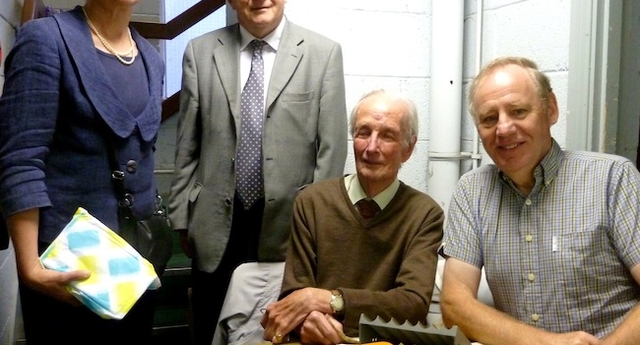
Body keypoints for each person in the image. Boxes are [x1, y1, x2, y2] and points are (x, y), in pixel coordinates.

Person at [167, 0, 348, 345]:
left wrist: (318, 231)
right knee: (212, 327)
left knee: (275, 334)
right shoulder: (200, 52)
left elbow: (331, 151)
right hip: (215, 224)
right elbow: (187, 144)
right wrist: (181, 217)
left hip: (289, 230)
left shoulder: (323, 55)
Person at [0, 0, 164, 344]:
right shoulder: (46, 40)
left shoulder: (151, 57)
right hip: (67, 270)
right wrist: (29, 267)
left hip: (133, 268)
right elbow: (20, 159)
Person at [440, 56, 640, 345]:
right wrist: (548, 343)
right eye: (489, 118)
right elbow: (455, 307)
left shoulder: (612, 178)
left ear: (551, 109)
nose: (504, 129)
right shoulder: (473, 191)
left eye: (518, 111)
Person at [261, 89, 445, 345]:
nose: (371, 147)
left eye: (387, 135)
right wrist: (308, 321)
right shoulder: (312, 202)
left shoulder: (425, 214)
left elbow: (412, 305)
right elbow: (296, 295)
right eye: (363, 132)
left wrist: (330, 301)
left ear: (408, 149)